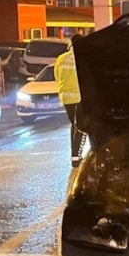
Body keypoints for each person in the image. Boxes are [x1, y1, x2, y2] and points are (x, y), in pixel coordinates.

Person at [54, 33, 87, 168]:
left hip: (66, 97)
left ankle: (74, 155)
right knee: (81, 127)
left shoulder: (61, 58)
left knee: (74, 125)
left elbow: (57, 76)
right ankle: (76, 157)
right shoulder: (83, 58)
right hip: (79, 96)